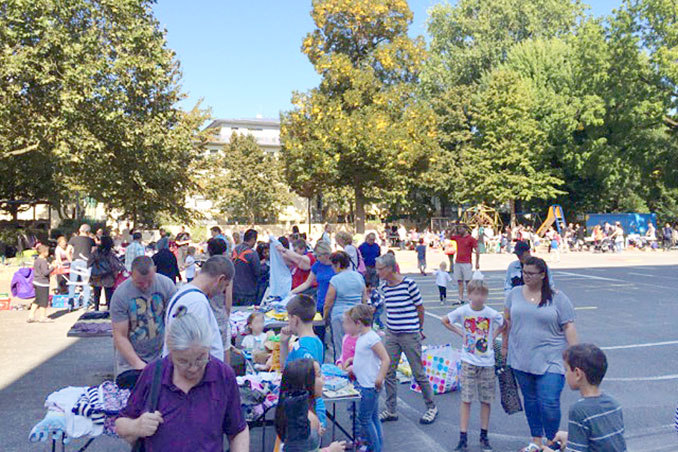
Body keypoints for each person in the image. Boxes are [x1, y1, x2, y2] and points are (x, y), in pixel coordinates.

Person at [115, 311, 249, 452]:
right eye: (183, 361)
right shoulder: (154, 373)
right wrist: (137, 426)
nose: (193, 368)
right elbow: (120, 425)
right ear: (171, 351)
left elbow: (238, 430)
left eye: (200, 358)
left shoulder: (223, 375)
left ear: (209, 348)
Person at [503, 257, 579, 450]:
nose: (526, 276)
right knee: (530, 401)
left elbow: (569, 326)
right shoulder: (513, 294)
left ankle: (552, 441)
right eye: (524, 272)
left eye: (530, 273)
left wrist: (576, 354)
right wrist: (504, 347)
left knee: (549, 402)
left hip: (551, 359)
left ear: (543, 275)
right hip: (521, 357)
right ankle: (536, 440)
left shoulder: (557, 297)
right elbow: (507, 322)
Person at [442, 279, 505, 452]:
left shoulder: (491, 313)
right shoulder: (464, 310)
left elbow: (505, 324)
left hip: (487, 361)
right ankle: (463, 437)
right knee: (466, 399)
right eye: (475, 293)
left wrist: (494, 336)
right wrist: (460, 332)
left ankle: (484, 435)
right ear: (469, 295)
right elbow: (445, 320)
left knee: (486, 399)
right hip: (469, 360)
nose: (479, 297)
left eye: (482, 294)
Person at [377, 253, 438, 425]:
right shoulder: (385, 287)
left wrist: (419, 328)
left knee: (417, 371)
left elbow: (420, 307)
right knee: (388, 370)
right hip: (392, 333)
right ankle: (391, 409)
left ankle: (431, 406)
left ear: (390, 268)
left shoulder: (409, 284)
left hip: (409, 333)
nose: (378, 272)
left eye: (381, 269)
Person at [540, 344, 627, 452]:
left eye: (566, 370)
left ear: (577, 374)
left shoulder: (579, 410)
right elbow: (603, 441)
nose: (565, 374)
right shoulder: (613, 404)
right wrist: (570, 437)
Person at [111, 256, 178, 384]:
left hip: (160, 356)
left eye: (149, 281)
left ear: (155, 270)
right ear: (131, 275)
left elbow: (174, 323)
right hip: (130, 362)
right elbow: (120, 336)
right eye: (140, 283)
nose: (145, 286)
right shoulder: (120, 295)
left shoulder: (166, 285)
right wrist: (139, 365)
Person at [163, 255, 234, 363]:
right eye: (225, 286)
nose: (222, 292)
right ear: (220, 279)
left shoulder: (185, 293)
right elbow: (194, 351)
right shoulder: (197, 302)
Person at [274, 359, 346, 452]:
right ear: (305, 384)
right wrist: (330, 450)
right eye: (319, 375)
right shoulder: (307, 418)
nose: (323, 378)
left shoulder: (291, 409)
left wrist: (314, 434)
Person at [280, 294, 327, 427]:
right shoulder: (316, 341)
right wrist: (283, 343)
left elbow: (310, 385)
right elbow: (286, 368)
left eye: (288, 318)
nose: (287, 321)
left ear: (295, 319)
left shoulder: (302, 348)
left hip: (304, 408)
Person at [324, 251, 365, 361]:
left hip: (339, 316)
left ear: (337, 264)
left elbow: (328, 302)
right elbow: (364, 297)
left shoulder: (335, 280)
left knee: (340, 347)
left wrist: (325, 317)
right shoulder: (359, 276)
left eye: (333, 265)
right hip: (357, 315)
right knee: (357, 344)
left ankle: (341, 367)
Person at [291, 241, 335, 343]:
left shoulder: (335, 265)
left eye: (318, 256)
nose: (316, 258)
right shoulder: (317, 265)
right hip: (320, 302)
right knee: (319, 334)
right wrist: (292, 292)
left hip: (334, 302)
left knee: (335, 335)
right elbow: (307, 283)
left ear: (325, 255)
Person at [205, 238, 234, 365]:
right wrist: (227, 315)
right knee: (223, 354)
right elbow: (228, 299)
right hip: (220, 316)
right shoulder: (226, 271)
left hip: (206, 318)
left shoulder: (204, 270)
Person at [88, 235, 124, 311]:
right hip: (108, 277)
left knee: (96, 295)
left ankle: (96, 309)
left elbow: (89, 263)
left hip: (96, 277)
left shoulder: (96, 252)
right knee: (109, 296)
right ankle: (108, 311)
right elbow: (116, 265)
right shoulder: (110, 253)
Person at [67, 224, 96, 308]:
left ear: (80, 230)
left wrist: (71, 261)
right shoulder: (91, 240)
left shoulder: (73, 239)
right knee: (86, 283)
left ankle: (70, 304)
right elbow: (93, 252)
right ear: (88, 232)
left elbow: (67, 251)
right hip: (86, 262)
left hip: (75, 261)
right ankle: (85, 304)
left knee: (72, 283)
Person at [451, 224, 480, 304]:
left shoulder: (471, 239)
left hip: (467, 262)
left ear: (465, 229)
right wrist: (453, 228)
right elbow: (449, 236)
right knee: (459, 281)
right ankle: (460, 298)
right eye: (459, 228)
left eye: (461, 228)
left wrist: (477, 262)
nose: (459, 230)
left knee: (468, 281)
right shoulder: (458, 237)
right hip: (458, 262)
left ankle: (470, 297)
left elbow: (477, 250)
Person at [231, 228, 261, 306]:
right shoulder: (252, 253)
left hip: (234, 290)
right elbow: (258, 272)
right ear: (253, 239)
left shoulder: (234, 250)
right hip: (248, 292)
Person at [28, 245, 54, 323]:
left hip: (36, 281)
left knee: (38, 300)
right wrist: (53, 267)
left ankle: (31, 315)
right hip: (42, 283)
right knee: (43, 301)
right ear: (43, 252)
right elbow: (45, 273)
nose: (48, 253)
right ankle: (43, 317)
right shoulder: (43, 261)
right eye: (47, 252)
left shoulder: (37, 260)